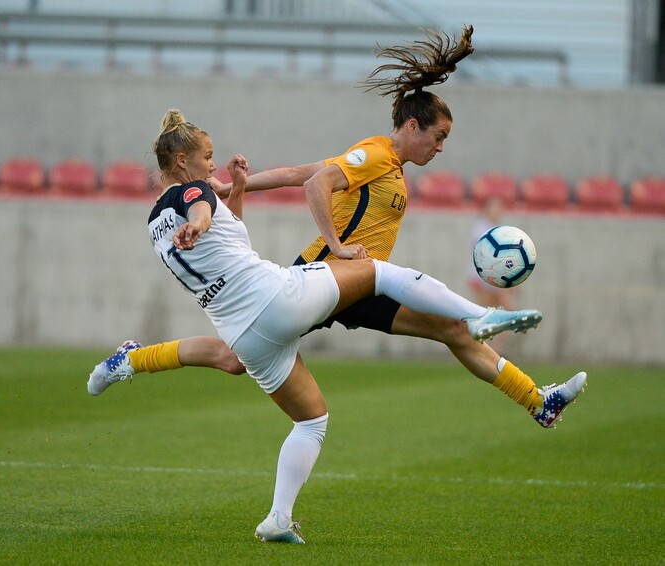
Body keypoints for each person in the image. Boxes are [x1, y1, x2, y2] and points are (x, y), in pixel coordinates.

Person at [88, 107, 586, 544]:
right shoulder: (198, 192)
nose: (214, 163)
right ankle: (484, 314)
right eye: (208, 155)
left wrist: (234, 191)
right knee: (381, 273)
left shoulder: (156, 219)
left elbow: (228, 231)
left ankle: (136, 366)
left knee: (289, 400)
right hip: (292, 290)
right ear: (182, 162)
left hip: (247, 325)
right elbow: (227, 202)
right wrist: (334, 245)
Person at [91, 26, 585, 433]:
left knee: (451, 332)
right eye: (438, 137)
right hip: (327, 273)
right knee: (232, 357)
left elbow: (294, 174)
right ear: (412, 127)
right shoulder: (376, 154)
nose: (441, 148)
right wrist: (335, 246)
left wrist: (226, 190)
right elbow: (316, 185)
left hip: (352, 282)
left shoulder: (385, 164)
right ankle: (135, 357)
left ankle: (536, 399)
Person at [468, 197, 517, 354]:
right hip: (486, 277)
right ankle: (484, 347)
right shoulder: (482, 229)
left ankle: (492, 348)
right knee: (489, 312)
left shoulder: (494, 229)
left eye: (499, 208)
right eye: (494, 208)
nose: (497, 212)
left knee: (499, 311)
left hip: (492, 277)